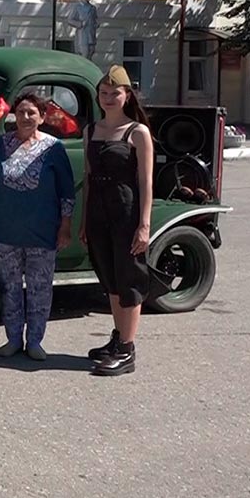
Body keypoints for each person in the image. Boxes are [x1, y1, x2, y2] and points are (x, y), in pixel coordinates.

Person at [0, 93, 76, 361]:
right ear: (13, 116)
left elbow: (66, 192)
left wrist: (64, 227)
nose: (26, 117)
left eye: (32, 112)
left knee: (39, 289)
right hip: (4, 231)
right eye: (21, 112)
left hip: (41, 233)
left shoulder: (54, 149)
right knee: (9, 288)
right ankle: (13, 338)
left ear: (42, 117)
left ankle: (35, 341)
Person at [83, 65, 154, 377]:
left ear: (127, 96)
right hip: (99, 213)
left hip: (126, 213)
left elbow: (146, 182)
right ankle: (118, 337)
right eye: (104, 93)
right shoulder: (91, 130)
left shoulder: (137, 132)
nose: (109, 98)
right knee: (110, 279)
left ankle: (127, 350)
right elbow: (87, 178)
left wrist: (144, 224)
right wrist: (86, 220)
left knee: (129, 280)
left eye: (115, 93)